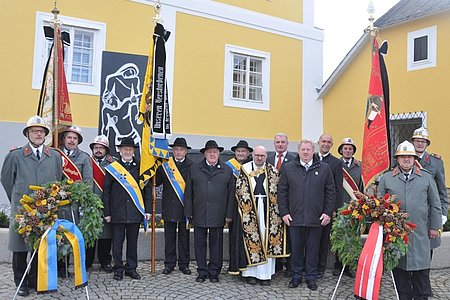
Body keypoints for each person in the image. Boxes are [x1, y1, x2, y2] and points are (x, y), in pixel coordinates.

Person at [1, 115, 62, 297]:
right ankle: (21, 283)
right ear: (27, 134)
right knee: (20, 248)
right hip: (22, 209)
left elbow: (57, 180)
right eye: (34, 131)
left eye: (41, 131)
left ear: (45, 135)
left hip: (45, 210)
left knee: (39, 247)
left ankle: (36, 281)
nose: (38, 134)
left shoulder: (54, 156)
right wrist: (18, 199)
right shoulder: (15, 155)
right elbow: (6, 179)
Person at [378, 140, 441, 300]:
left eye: (410, 157)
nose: (407, 159)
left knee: (421, 274)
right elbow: (379, 206)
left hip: (420, 233)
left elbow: (435, 204)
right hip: (396, 234)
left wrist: (435, 227)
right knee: (401, 272)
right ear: (397, 159)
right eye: (403, 157)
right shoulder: (387, 178)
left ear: (415, 159)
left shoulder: (426, 177)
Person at [278, 140, 335, 291]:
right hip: (294, 218)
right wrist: (284, 212)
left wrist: (327, 212)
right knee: (296, 249)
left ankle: (311, 277)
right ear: (298, 150)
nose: (305, 152)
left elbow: (330, 192)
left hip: (316, 219)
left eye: (308, 149)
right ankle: (296, 276)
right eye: (302, 149)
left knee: (313, 249)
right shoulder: (288, 168)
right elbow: (282, 192)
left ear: (313, 151)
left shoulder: (324, 168)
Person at [235, 145, 288, 285]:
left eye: (262, 156)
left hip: (268, 209)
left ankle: (265, 275)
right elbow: (239, 190)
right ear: (252, 155)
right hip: (250, 210)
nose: (259, 158)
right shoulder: (245, 169)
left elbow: (278, 191)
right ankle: (250, 274)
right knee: (251, 239)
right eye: (257, 155)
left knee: (266, 239)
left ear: (266, 156)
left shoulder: (273, 171)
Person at [184, 140, 234, 283]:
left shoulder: (226, 170)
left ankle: (214, 272)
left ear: (219, 154)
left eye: (215, 152)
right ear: (204, 154)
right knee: (199, 244)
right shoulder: (194, 169)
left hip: (218, 214)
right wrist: (189, 212)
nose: (212, 154)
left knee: (216, 245)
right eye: (210, 152)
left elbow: (231, 194)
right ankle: (202, 272)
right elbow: (188, 193)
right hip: (199, 213)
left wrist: (229, 214)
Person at [102, 137, 151, 281]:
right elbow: (107, 192)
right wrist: (107, 213)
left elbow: (147, 190)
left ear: (133, 151)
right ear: (120, 150)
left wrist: (147, 210)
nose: (127, 151)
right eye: (125, 149)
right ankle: (118, 268)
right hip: (117, 212)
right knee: (117, 243)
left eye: (130, 149)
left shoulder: (141, 168)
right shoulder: (113, 168)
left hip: (135, 212)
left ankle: (131, 268)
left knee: (132, 243)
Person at [58, 125, 93, 277]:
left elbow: (87, 182)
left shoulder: (84, 158)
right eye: (69, 137)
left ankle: (66, 268)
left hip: (74, 205)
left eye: (75, 138)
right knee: (56, 236)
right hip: (57, 204)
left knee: (70, 237)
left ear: (78, 141)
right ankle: (56, 268)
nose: (71, 141)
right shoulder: (55, 154)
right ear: (64, 139)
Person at [156, 137, 194, 276]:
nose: (178, 152)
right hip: (169, 206)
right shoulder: (165, 165)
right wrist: (154, 168)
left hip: (185, 207)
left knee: (184, 238)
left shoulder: (192, 166)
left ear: (186, 151)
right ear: (173, 151)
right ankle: (169, 264)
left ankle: (184, 265)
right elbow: (157, 182)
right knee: (169, 238)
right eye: (176, 149)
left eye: (181, 150)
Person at [333, 137, 363, 277]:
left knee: (352, 236)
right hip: (340, 205)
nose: (347, 151)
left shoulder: (359, 166)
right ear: (341, 150)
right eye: (345, 148)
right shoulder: (335, 164)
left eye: (350, 148)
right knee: (339, 235)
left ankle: (349, 266)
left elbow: (362, 187)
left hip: (354, 206)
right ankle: (337, 265)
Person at [266, 133, 296, 276]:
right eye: (277, 142)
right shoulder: (268, 158)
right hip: (271, 205)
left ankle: (290, 266)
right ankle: (276, 265)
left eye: (283, 142)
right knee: (274, 233)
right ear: (274, 144)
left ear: (287, 144)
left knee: (290, 236)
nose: (280, 144)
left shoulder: (294, 159)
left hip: (289, 203)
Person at [85, 135, 116, 272]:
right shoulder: (87, 162)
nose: (98, 150)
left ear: (106, 150)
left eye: (101, 148)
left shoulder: (112, 164)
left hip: (106, 204)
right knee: (89, 234)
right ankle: (87, 262)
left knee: (105, 235)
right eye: (96, 148)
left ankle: (105, 261)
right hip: (89, 203)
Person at [314, 133, 343, 278]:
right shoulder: (310, 158)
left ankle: (320, 268)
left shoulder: (336, 163)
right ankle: (309, 266)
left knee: (323, 239)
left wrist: (333, 210)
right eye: (323, 141)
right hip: (310, 206)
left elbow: (338, 188)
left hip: (326, 207)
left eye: (328, 142)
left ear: (332, 145)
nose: (325, 144)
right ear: (318, 142)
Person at [226, 140, 252, 275]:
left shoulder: (253, 166)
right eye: (238, 151)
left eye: (243, 151)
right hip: (234, 208)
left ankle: (249, 267)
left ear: (248, 153)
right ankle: (235, 266)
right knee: (234, 238)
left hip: (250, 210)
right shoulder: (228, 167)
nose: (241, 153)